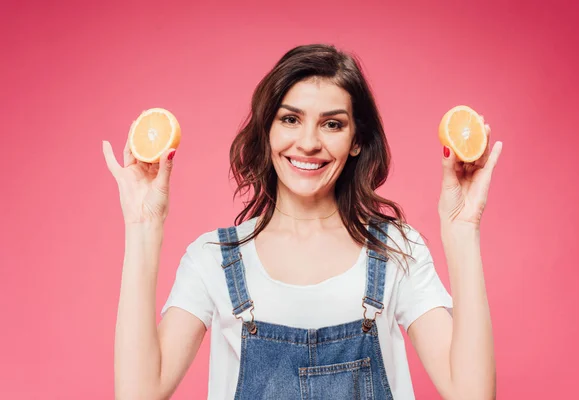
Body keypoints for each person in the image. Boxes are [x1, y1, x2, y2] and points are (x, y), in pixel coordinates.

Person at [102, 44, 502, 400]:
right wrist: (142, 225)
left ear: (356, 140)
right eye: (290, 119)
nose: (309, 142)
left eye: (332, 124)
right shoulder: (214, 260)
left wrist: (462, 227)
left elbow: (471, 393)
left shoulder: (397, 251)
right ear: (267, 130)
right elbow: (139, 393)